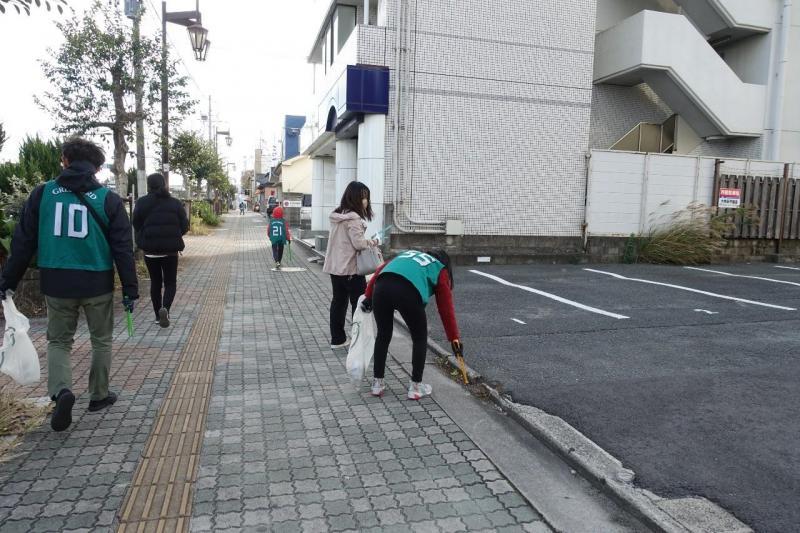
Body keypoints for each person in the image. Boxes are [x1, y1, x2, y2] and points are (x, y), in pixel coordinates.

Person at [0, 137, 139, 431]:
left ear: (64, 160)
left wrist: (7, 282)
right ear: (98, 168)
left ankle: (61, 391)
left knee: (59, 341)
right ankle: (99, 395)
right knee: (101, 339)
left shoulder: (43, 195)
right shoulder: (108, 200)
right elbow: (123, 249)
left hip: (57, 281)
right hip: (97, 281)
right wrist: (130, 288)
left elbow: (22, 242)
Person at [361, 249, 462, 400]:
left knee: (383, 335)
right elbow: (446, 309)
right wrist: (454, 338)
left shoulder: (407, 254)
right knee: (419, 337)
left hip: (381, 288)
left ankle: (377, 383)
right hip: (408, 292)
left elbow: (379, 272)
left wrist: (368, 297)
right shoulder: (439, 268)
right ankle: (415, 387)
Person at [322, 181, 378, 349]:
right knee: (359, 304)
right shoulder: (353, 219)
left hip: (335, 268)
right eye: (363, 197)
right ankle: (359, 340)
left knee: (338, 303)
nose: (366, 201)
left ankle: (337, 339)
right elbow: (359, 244)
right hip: (352, 270)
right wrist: (374, 241)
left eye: (366, 197)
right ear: (355, 198)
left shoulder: (337, 216)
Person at [131, 173, 189, 328]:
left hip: (150, 249)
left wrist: (144, 236)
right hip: (170, 250)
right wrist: (175, 234)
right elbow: (185, 225)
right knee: (170, 282)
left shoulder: (142, 202)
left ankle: (158, 315)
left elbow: (135, 223)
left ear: (149, 186)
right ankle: (166, 309)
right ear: (164, 185)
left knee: (155, 282)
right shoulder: (175, 203)